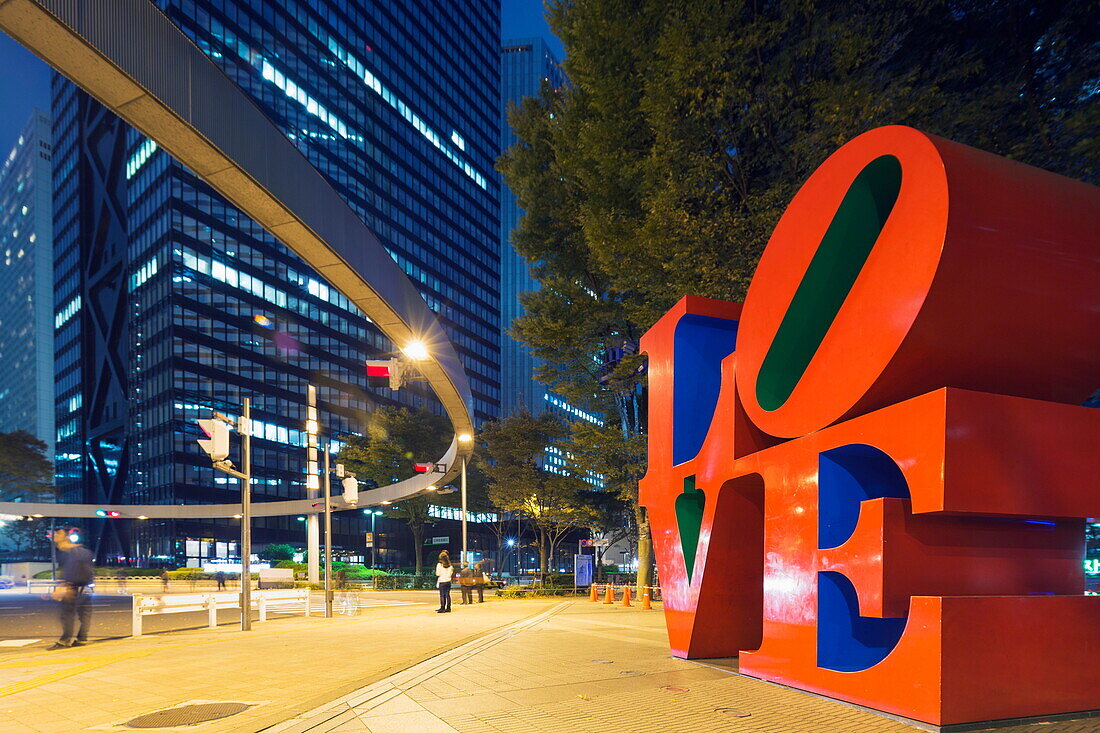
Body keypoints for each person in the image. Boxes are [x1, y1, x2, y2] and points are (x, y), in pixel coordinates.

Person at [49, 529, 95, 650]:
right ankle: (82, 639)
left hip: (73, 588)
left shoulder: (71, 553)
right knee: (85, 614)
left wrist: (65, 585)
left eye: (58, 534)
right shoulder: (85, 552)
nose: (55, 536)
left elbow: (71, 570)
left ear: (66, 537)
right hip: (86, 588)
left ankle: (65, 640)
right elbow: (88, 570)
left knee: (67, 614)